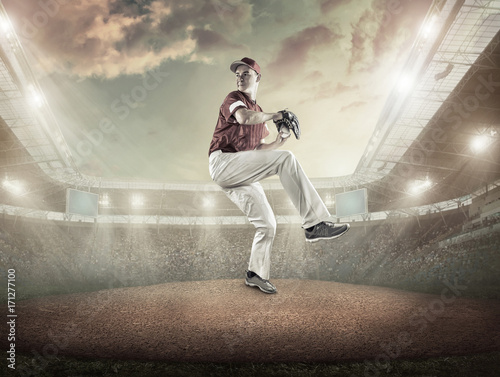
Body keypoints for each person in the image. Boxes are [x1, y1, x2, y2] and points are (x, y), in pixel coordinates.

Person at [208, 57, 349, 294]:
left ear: (258, 77)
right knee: (286, 159)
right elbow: (243, 118)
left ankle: (255, 274)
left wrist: (278, 141)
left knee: (268, 224)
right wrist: (277, 116)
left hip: (241, 171)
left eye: (246, 73)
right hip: (223, 162)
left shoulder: (260, 112)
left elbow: (259, 152)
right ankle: (314, 224)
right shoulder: (234, 98)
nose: (240, 77)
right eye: (237, 74)